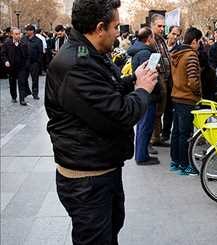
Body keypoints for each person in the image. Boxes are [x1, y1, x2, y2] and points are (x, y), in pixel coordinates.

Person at [45, 0, 158, 243]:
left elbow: (107, 91)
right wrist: (142, 90)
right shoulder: (77, 65)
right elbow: (120, 114)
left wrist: (132, 80)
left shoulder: (88, 53)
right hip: (87, 180)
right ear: (99, 28)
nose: (118, 33)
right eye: (115, 27)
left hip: (100, 171)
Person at [169, 27, 203, 175]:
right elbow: (193, 81)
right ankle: (185, 165)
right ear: (194, 41)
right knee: (186, 133)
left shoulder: (176, 53)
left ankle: (175, 161)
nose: (200, 44)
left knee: (176, 131)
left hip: (176, 96)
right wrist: (198, 94)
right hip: (188, 98)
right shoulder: (191, 56)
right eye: (199, 41)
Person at [128, 27, 162, 165]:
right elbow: (148, 75)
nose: (154, 40)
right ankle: (142, 156)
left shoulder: (140, 51)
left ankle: (142, 154)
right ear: (148, 39)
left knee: (143, 125)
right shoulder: (144, 53)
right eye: (153, 37)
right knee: (145, 126)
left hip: (145, 94)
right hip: (148, 95)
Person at [151, 14, 172, 147]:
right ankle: (152, 139)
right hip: (158, 80)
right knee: (155, 112)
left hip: (165, 79)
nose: (162, 28)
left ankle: (157, 137)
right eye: (159, 26)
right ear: (152, 25)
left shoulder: (161, 40)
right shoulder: (151, 40)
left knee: (160, 111)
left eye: (163, 26)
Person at [1, 27, 29, 105]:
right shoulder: (7, 43)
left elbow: (27, 55)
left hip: (21, 67)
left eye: (19, 34)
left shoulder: (23, 44)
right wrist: (6, 61)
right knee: (12, 83)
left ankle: (22, 99)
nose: (18, 36)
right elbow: (3, 54)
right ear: (12, 35)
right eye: (16, 34)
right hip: (11, 67)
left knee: (22, 83)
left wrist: (26, 65)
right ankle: (14, 97)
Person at [23, 24, 43, 100]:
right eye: (26, 30)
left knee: (35, 80)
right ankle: (27, 91)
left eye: (28, 30)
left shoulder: (38, 41)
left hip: (34, 63)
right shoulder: (24, 39)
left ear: (32, 31)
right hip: (25, 63)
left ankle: (35, 94)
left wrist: (38, 62)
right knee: (24, 78)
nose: (27, 32)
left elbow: (41, 53)